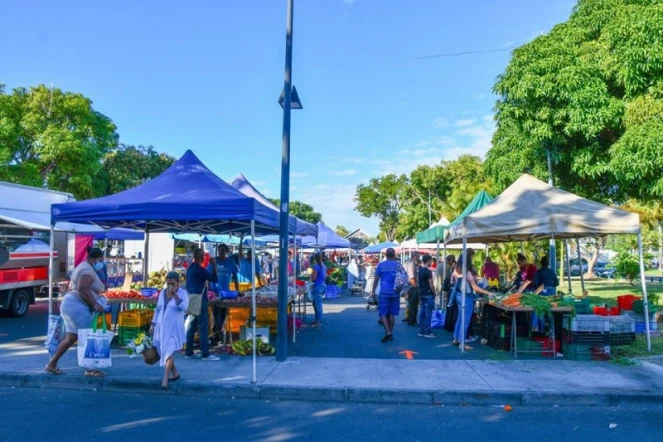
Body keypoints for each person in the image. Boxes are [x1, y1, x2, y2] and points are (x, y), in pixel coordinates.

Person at [45, 247, 107, 377]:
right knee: (86, 336)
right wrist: (95, 303)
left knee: (71, 337)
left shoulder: (84, 266)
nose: (101, 263)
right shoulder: (87, 270)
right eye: (100, 260)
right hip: (77, 306)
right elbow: (83, 288)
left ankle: (52, 364)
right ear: (94, 259)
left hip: (72, 304)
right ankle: (90, 368)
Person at [151, 271, 189, 389]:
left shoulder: (183, 293)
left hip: (174, 328)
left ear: (179, 283)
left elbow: (184, 308)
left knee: (169, 351)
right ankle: (175, 374)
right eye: (168, 283)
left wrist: (175, 296)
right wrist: (153, 324)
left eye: (173, 284)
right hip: (162, 328)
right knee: (164, 351)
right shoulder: (162, 293)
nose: (170, 286)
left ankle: (165, 379)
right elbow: (158, 310)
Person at [451, 252, 494, 351]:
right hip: (467, 297)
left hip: (458, 296)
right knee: (465, 320)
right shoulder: (467, 272)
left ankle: (456, 338)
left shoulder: (456, 270)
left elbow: (452, 282)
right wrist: (488, 293)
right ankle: (462, 342)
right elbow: (475, 287)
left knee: (460, 318)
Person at [184, 248, 220, 361]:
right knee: (203, 327)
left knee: (192, 326)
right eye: (203, 256)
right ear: (201, 257)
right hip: (200, 300)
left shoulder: (190, 268)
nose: (205, 257)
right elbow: (215, 278)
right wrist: (214, 265)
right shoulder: (199, 269)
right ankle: (205, 353)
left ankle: (188, 351)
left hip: (191, 299)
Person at [208, 244, 239, 335]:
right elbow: (208, 276)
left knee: (224, 312)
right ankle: (217, 332)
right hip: (215, 292)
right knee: (216, 313)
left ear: (226, 252)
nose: (220, 253)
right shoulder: (214, 261)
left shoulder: (231, 262)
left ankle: (218, 329)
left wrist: (238, 290)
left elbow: (235, 276)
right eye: (219, 250)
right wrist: (209, 290)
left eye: (222, 251)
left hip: (226, 292)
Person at [373, 248, 401, 342]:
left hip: (384, 291)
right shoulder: (398, 264)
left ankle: (387, 332)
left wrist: (373, 291)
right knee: (391, 313)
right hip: (395, 291)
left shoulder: (381, 265)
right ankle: (391, 332)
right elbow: (403, 277)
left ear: (385, 255)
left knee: (383, 312)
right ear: (394, 255)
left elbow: (376, 279)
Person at [531, 256, 560, 331]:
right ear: (548, 263)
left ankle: (540, 329)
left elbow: (535, 282)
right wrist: (550, 287)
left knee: (539, 310)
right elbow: (556, 283)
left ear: (541, 263)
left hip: (541, 293)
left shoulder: (539, 271)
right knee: (549, 311)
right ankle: (551, 329)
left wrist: (537, 289)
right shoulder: (552, 271)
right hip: (551, 294)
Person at [418, 254, 437, 338]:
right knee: (428, 312)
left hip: (422, 292)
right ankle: (427, 331)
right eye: (431, 261)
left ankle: (422, 330)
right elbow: (431, 284)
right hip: (428, 293)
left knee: (422, 312)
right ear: (428, 261)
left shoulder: (420, 270)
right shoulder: (428, 271)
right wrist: (435, 292)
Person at [403, 252, 420, 326]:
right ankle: (412, 321)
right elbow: (412, 277)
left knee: (410, 305)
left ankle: (410, 319)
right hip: (412, 286)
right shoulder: (411, 264)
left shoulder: (408, 262)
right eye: (418, 256)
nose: (418, 258)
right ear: (415, 256)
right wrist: (415, 287)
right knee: (413, 305)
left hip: (408, 286)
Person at [310, 253, 327, 327]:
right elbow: (325, 276)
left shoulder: (316, 266)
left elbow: (314, 278)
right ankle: (317, 320)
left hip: (317, 286)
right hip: (323, 285)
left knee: (317, 305)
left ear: (315, 258)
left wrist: (311, 276)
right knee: (316, 303)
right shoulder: (324, 266)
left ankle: (318, 322)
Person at [443, 255, 458, 333]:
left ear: (451, 260)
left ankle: (450, 326)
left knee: (451, 308)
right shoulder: (453, 267)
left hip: (452, 290)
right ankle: (450, 326)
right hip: (452, 289)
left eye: (447, 261)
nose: (446, 263)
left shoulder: (453, 268)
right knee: (452, 308)